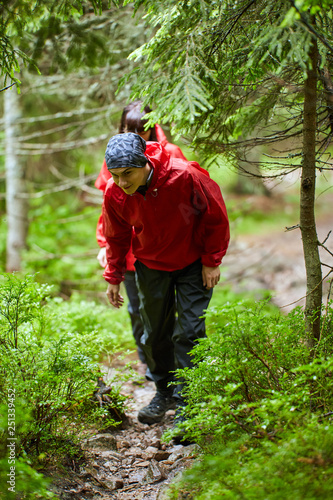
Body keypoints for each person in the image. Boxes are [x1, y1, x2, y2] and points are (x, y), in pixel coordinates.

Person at [102, 132, 230, 434]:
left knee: (189, 330)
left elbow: (215, 216)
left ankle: (189, 402)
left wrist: (212, 261)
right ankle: (164, 392)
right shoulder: (114, 192)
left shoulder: (184, 175)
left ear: (144, 162)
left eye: (128, 174)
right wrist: (114, 277)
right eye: (115, 175)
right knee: (154, 332)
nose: (122, 182)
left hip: (192, 265)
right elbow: (116, 236)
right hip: (151, 266)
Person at [95, 101, 188, 372]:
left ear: (152, 128)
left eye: (141, 131)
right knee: (137, 309)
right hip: (130, 250)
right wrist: (104, 242)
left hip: (164, 247)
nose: (134, 137)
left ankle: (175, 368)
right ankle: (150, 364)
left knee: (169, 311)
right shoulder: (115, 160)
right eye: (127, 129)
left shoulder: (171, 154)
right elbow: (109, 205)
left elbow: (182, 199)